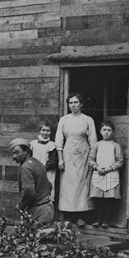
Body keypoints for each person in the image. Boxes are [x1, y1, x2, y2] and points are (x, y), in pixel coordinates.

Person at [55, 93, 98, 225]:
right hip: (68, 154)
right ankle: (69, 216)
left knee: (82, 183)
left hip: (83, 154)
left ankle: (81, 215)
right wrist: (60, 159)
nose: (73, 105)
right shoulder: (64, 120)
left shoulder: (88, 120)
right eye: (71, 103)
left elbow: (93, 140)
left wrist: (92, 158)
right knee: (68, 184)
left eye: (76, 102)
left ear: (81, 104)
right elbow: (59, 140)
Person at [9, 138, 54, 224]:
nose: (14, 156)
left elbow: (29, 191)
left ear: (26, 151)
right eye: (13, 153)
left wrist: (20, 205)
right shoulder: (37, 163)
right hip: (48, 209)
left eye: (17, 152)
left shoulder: (25, 167)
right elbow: (49, 185)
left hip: (38, 211)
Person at [89, 121, 124, 228]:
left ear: (112, 132)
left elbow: (120, 161)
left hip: (111, 174)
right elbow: (91, 159)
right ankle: (99, 218)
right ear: (100, 131)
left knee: (109, 198)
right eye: (104, 130)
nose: (106, 132)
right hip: (99, 173)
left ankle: (107, 220)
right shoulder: (97, 145)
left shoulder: (116, 146)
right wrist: (97, 167)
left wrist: (109, 169)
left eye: (109, 130)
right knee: (98, 198)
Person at [29, 120, 58, 201]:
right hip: (34, 172)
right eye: (43, 130)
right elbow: (29, 159)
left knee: (46, 192)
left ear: (51, 132)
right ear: (39, 131)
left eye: (48, 130)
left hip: (47, 173)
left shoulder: (52, 145)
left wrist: (41, 170)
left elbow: (52, 162)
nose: (45, 133)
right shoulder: (33, 144)